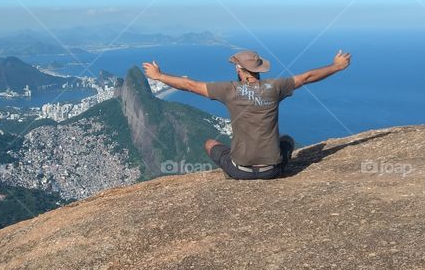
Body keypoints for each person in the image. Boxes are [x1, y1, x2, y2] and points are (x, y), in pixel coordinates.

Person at [142, 48, 351, 180]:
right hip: (272, 170)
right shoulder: (275, 87)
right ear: (259, 69)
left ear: (239, 70)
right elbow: (307, 77)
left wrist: (158, 75)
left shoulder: (229, 90)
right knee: (287, 140)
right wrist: (336, 66)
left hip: (239, 170)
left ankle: (233, 169)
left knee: (210, 143)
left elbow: (190, 85)